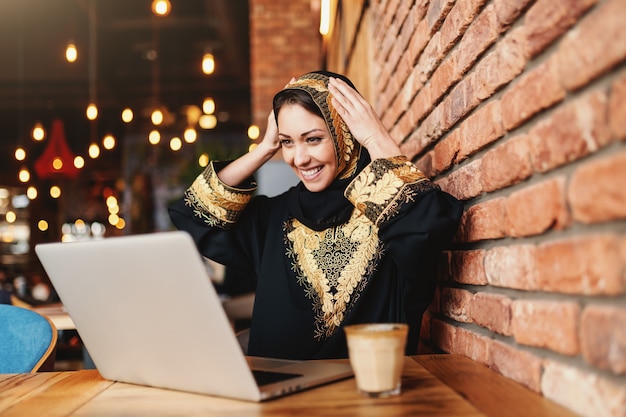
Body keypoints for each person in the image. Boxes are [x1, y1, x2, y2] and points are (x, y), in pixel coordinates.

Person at [169, 71, 463, 360]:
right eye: (287, 142)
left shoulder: (387, 210)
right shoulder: (273, 218)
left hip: (368, 396)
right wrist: (264, 148)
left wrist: (375, 138)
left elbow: (429, 229)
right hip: (278, 400)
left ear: (345, 135)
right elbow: (194, 216)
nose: (299, 158)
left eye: (312, 139)